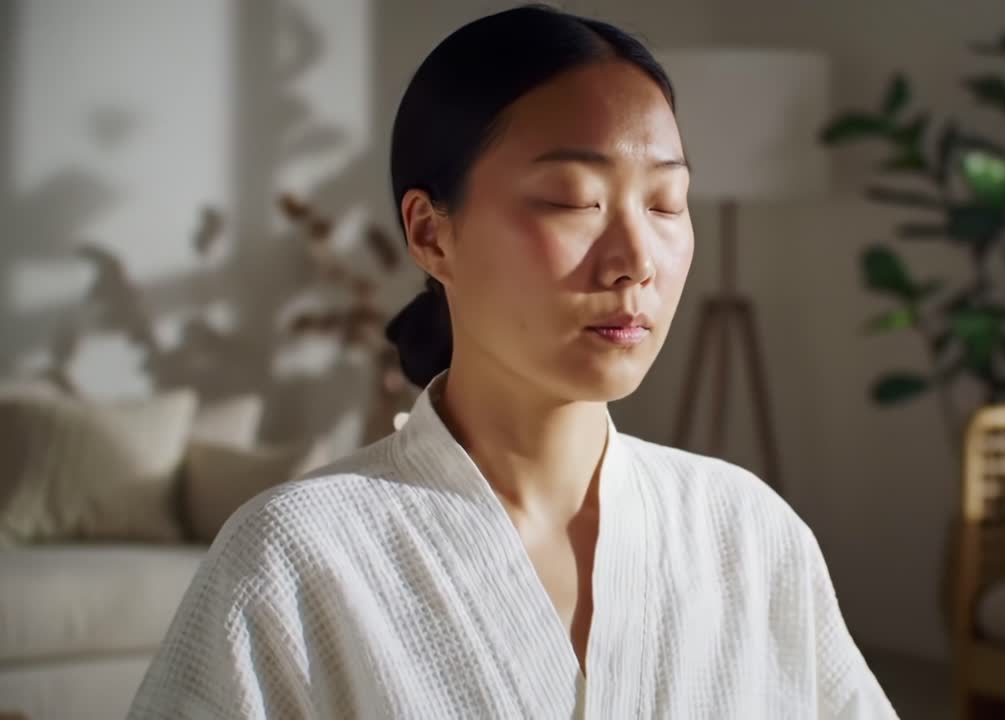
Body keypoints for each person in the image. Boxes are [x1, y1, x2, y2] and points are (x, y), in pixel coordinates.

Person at [129, 5, 896, 718]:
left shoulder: (746, 530)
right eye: (572, 200)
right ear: (431, 234)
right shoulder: (296, 555)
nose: (635, 262)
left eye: (666, 204)